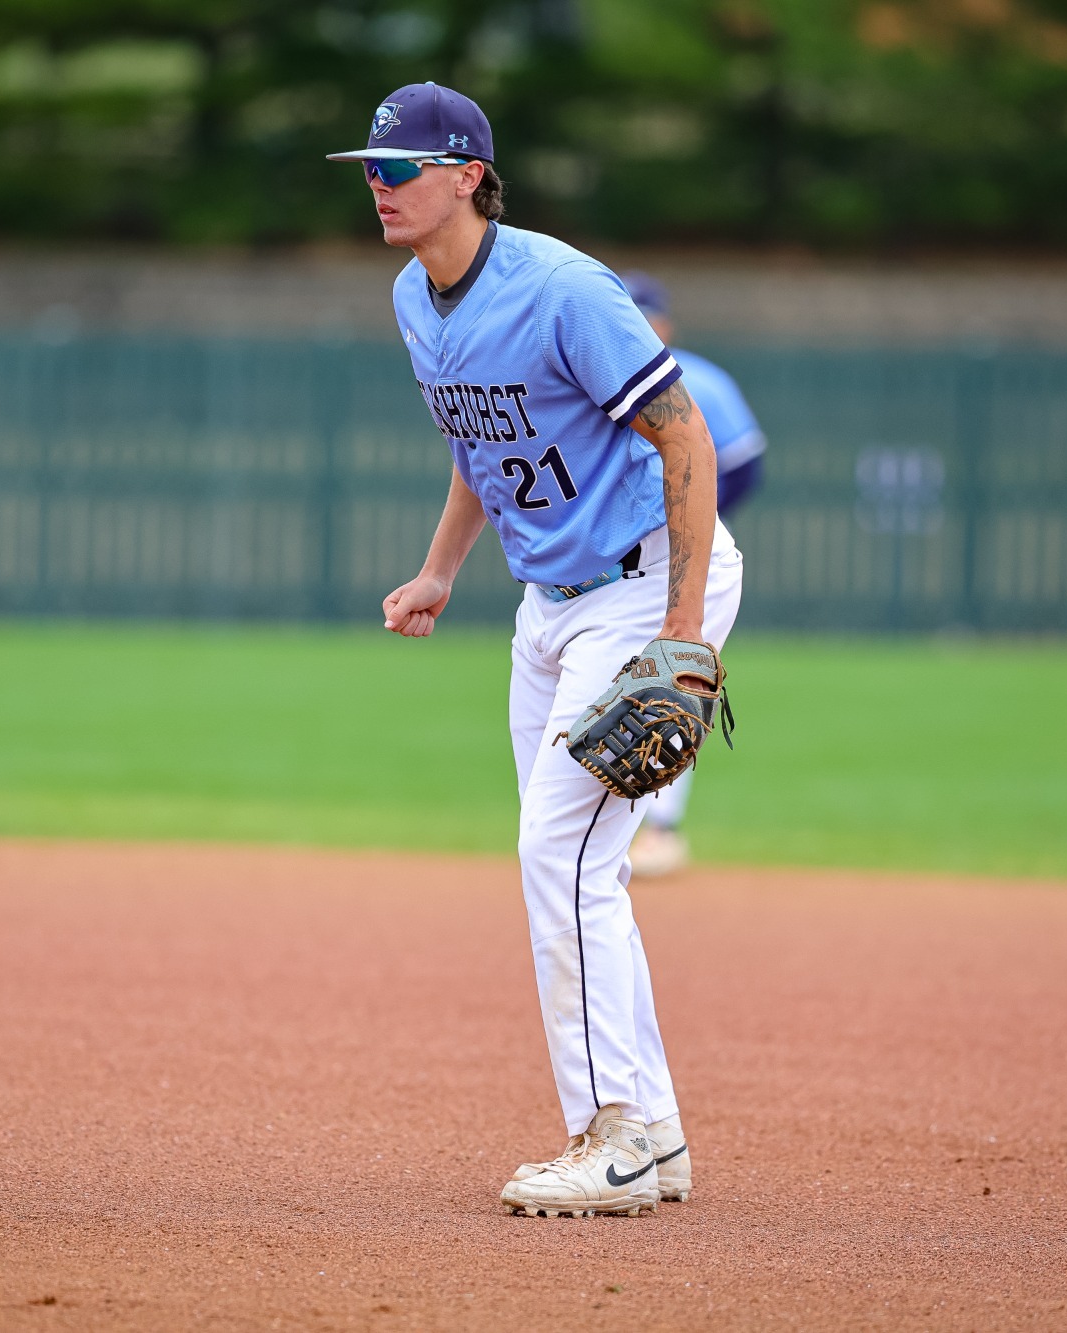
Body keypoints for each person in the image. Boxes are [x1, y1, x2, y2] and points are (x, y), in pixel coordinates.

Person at [329, 82, 744, 1218]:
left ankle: (609, 1134)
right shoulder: (416, 299)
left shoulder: (563, 288)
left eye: (399, 167)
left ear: (467, 173)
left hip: (643, 585)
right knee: (574, 870)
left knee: (555, 857)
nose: (379, 185)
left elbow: (682, 432)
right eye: (368, 168)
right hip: (547, 606)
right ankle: (649, 1131)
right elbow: (480, 437)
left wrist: (680, 631)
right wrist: (439, 570)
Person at [617, 271, 768, 878]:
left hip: (680, 560)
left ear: (666, 323)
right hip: (614, 565)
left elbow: (744, 464)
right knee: (624, 689)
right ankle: (617, 828)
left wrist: (694, 528)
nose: (640, 324)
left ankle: (661, 828)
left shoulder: (698, 378)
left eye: (648, 314)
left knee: (672, 686)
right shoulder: (589, 378)